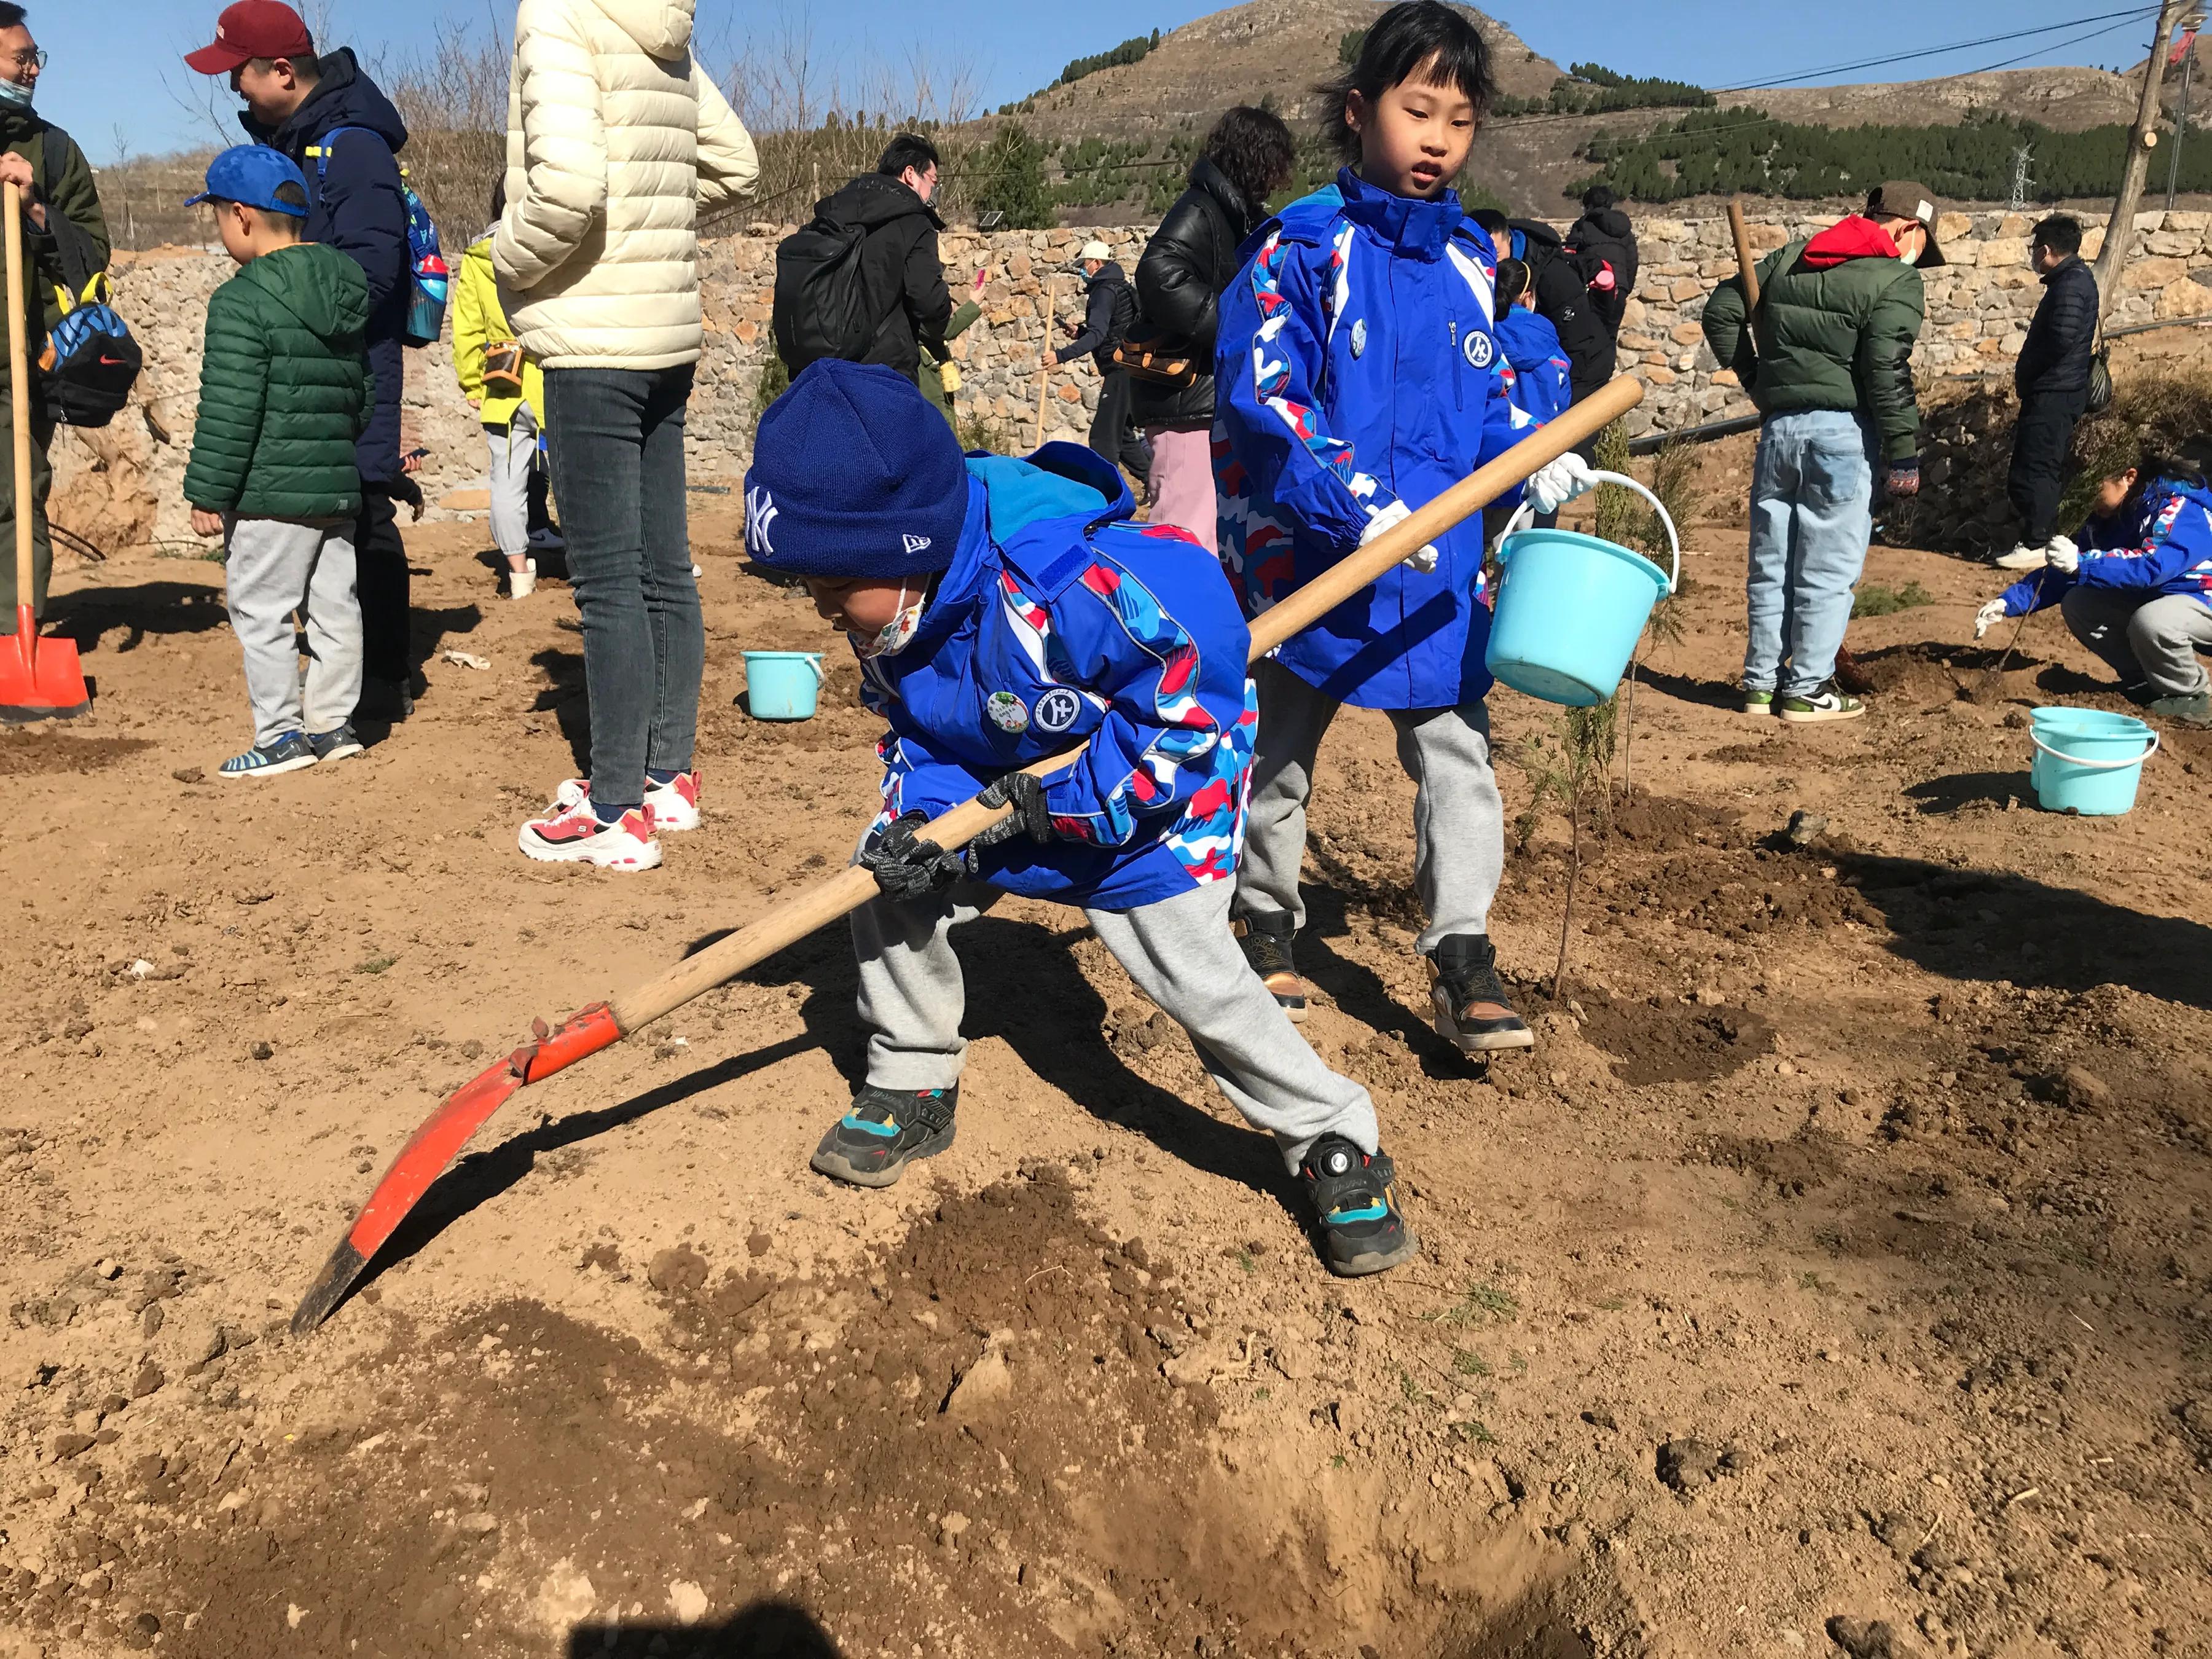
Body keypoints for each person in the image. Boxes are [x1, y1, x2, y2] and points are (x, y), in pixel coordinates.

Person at [743, 359, 1417, 1279]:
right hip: (1003, 795)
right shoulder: (892, 621)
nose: (828, 615)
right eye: (811, 594)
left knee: (1201, 979)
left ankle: (1330, 1134)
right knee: (888, 878)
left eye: (834, 590)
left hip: (1151, 801)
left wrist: (1065, 800)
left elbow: (1189, 707)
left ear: (908, 548)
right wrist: (930, 819)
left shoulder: (1077, 587)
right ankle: (911, 1075)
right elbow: (921, 736)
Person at [1212, 1, 1594, 1056]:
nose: (1437, 139)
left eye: (1460, 120)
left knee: (1457, 756)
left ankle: (1461, 950)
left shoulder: (1475, 263)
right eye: (1417, 109)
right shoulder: (1301, 249)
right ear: (1358, 111)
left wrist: (1537, 455)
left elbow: (1497, 402)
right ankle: (1261, 920)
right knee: (1278, 757)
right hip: (1315, 564)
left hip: (1436, 577)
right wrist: (1353, 503)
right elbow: (1264, 395)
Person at [498, 0, 757, 871]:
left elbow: (568, 190)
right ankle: (666, 782)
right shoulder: (660, 24)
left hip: (591, 339)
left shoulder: (560, 15)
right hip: (665, 339)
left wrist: (505, 258)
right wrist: (652, 227)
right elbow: (734, 163)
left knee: (606, 585)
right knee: (663, 567)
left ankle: (614, 812)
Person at [188, 1, 417, 724]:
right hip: (316, 350)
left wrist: (297, 316)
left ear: (283, 71)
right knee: (334, 520)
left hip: (344, 356)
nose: (234, 93)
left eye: (240, 77)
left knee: (364, 505)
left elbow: (376, 269)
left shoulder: (350, 147)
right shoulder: (298, 137)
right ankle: (341, 694)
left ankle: (380, 680)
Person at [1701, 179, 1938, 723]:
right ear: (1908, 228)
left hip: (1780, 432)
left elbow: (1721, 310)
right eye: (1922, 247)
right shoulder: (1895, 280)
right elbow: (1885, 369)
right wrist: (1904, 453)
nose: (1918, 261)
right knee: (1826, 568)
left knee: (1771, 564)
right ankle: (1806, 689)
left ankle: (1761, 686)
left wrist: (1759, 381)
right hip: (1842, 436)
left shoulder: (1791, 259)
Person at [179, 147, 371, 778]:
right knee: (335, 609)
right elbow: (361, 397)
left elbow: (231, 409)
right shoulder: (346, 290)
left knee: (260, 611)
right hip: (335, 489)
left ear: (241, 216)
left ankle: (281, 735)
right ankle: (333, 725)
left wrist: (209, 492)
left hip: (268, 496)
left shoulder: (241, 303)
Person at [1129, 104, 1297, 553]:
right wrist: (1230, 327)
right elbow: (1158, 274)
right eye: (1274, 165)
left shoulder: (1231, 213)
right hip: (1187, 405)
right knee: (1184, 539)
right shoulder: (1202, 209)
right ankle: (1168, 625)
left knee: (1206, 537)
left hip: (1203, 404)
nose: (1278, 177)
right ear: (1255, 158)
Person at [1975, 441, 2212, 726]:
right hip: (2162, 597)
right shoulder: (2104, 520)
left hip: (2200, 596)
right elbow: (2069, 570)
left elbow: (2153, 565)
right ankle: (2149, 682)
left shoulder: (2177, 505)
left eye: (2096, 490)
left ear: (2129, 477)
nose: (2091, 500)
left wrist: (2081, 563)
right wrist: (2010, 602)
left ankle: (2194, 696)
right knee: (2080, 602)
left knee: (2152, 622)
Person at [0, 1, 106, 635]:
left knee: (15, 497)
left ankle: (14, 639)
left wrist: (37, 208)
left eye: (37, 57)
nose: (35, 68)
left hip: (19, 364)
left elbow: (91, 257)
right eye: (21, 57)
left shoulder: (55, 151)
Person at [453, 179, 558, 599]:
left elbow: (467, 329)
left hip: (503, 384)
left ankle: (518, 575)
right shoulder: (553, 245)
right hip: (555, 376)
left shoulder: (477, 258)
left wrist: (472, 382)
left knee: (506, 483)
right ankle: (594, 565)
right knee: (578, 476)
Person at [785, 133, 952, 385]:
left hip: (821, 373)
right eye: (933, 182)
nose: (934, 192)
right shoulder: (915, 222)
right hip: (886, 374)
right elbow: (928, 301)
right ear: (910, 174)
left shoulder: (835, 213)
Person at [1994, 216, 2100, 573]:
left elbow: (2061, 338)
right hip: (2057, 388)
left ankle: (2038, 543)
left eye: (2034, 248)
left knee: (2036, 467)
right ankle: (2037, 538)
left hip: (2054, 391)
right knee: (2037, 465)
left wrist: (2030, 369)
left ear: (2046, 250)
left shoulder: (2071, 286)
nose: (2032, 255)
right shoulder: (2073, 280)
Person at [1052, 240, 1150, 496]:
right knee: (1124, 435)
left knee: (1103, 438)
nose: (1082, 271)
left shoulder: (1104, 291)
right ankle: (1155, 484)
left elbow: (1097, 335)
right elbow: (1112, 331)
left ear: (1096, 263)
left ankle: (1104, 496)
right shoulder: (1119, 287)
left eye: (1084, 265)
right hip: (1130, 367)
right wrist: (1080, 332)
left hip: (1119, 370)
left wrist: (1060, 356)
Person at [1494, 258, 1572, 424]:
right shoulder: (1548, 342)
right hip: (1544, 436)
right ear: (1527, 297)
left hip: (1496, 436)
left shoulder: (1483, 335)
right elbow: (1563, 397)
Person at [1565, 184, 1638, 344]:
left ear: (1589, 206)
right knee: (1610, 338)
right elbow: (1632, 262)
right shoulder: (1624, 229)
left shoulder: (1583, 225)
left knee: (1588, 338)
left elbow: (1569, 258)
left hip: (1593, 289)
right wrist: (1625, 287)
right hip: (1619, 289)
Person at [917, 265, 986, 430]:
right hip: (926, 370)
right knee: (938, 424)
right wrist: (973, 305)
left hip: (933, 364)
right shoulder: (916, 292)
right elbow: (943, 330)